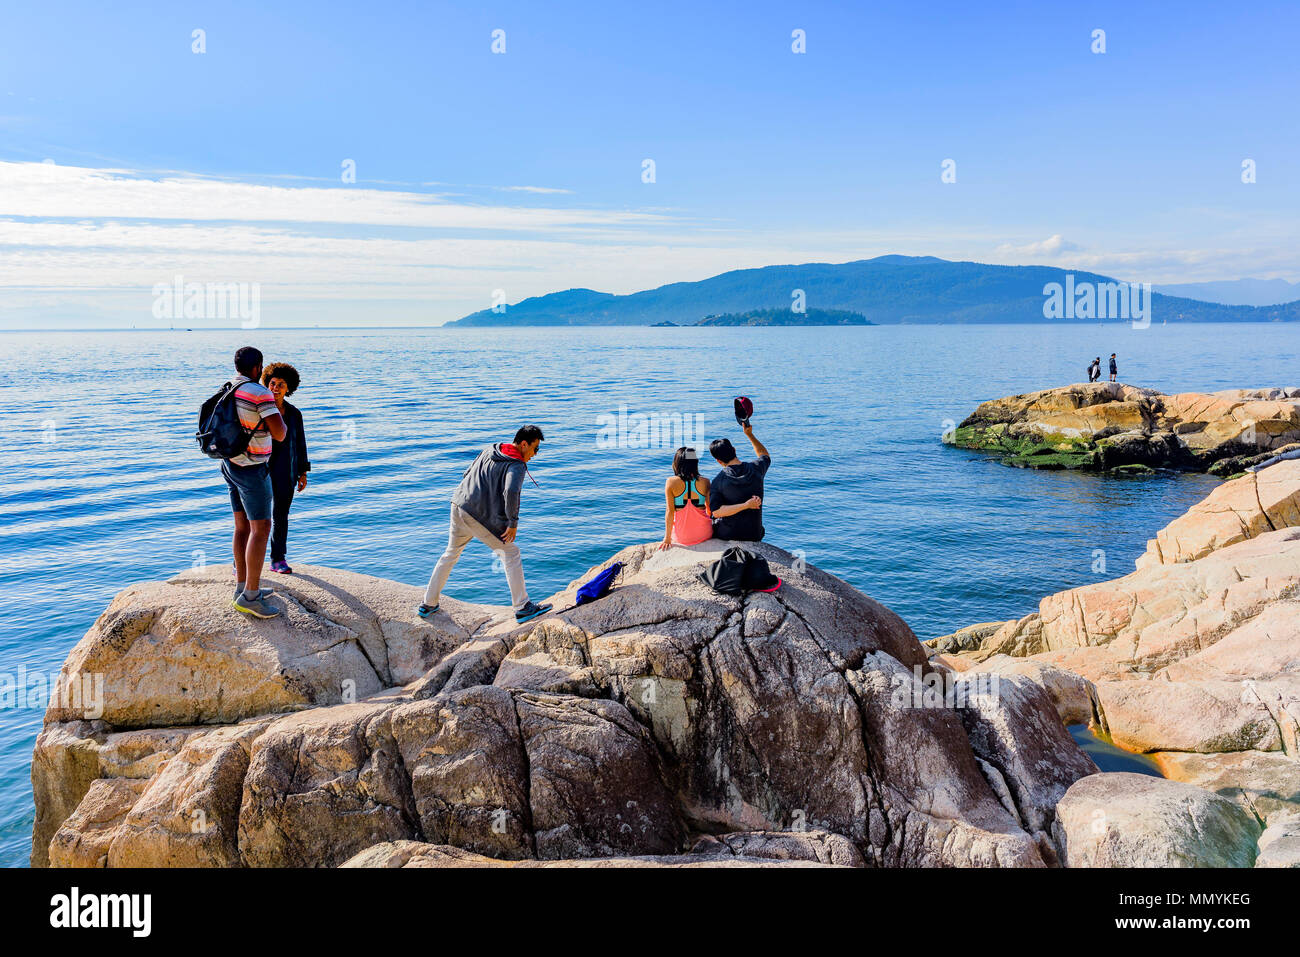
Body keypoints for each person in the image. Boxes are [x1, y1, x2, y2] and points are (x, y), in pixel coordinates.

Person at [418, 426, 553, 623]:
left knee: (450, 553)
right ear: (524, 444)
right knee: (511, 552)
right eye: (535, 449)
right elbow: (511, 492)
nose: (534, 455)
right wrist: (512, 523)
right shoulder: (516, 465)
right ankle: (523, 607)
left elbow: (467, 473)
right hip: (476, 515)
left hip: (458, 504)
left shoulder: (492, 449)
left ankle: (428, 603)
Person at [223, 346, 287, 618]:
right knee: (261, 528)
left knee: (241, 527)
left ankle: (242, 587)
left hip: (230, 464)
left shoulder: (228, 386)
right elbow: (280, 433)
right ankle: (251, 596)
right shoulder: (259, 392)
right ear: (257, 366)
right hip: (252, 467)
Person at [261, 362, 311, 574]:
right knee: (256, 518)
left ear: (288, 388)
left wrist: (303, 471)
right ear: (266, 384)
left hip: (286, 473)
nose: (276, 388)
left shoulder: (294, 414)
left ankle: (278, 559)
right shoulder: (260, 410)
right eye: (272, 383)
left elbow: (300, 443)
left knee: (281, 517)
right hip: (260, 472)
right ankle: (243, 561)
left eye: (281, 384)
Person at [708, 422, 770, 542]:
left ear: (718, 461)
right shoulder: (756, 468)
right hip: (754, 534)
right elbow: (764, 455)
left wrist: (746, 505)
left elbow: (716, 512)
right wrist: (749, 434)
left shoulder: (718, 481)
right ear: (734, 450)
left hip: (728, 534)